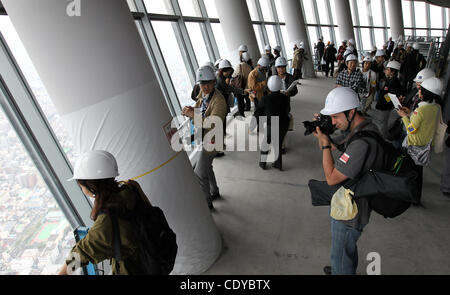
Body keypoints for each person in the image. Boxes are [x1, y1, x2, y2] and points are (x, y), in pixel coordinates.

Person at [313, 87, 385, 275]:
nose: (334, 122)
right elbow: (341, 146)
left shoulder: (361, 143)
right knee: (346, 249)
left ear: (351, 112)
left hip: (351, 212)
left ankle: (341, 269)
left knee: (341, 252)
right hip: (353, 201)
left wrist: (325, 145)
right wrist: (325, 131)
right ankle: (342, 267)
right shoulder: (363, 127)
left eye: (336, 117)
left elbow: (331, 178)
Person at [58, 151, 157, 275]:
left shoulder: (108, 220)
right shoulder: (132, 188)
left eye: (81, 186)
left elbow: (81, 253)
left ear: (91, 185)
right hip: (151, 256)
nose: (82, 189)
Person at [182, 66, 227, 210]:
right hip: (205, 137)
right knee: (207, 167)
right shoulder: (204, 92)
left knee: (199, 174)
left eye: (208, 82)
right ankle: (214, 191)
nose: (205, 86)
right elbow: (201, 106)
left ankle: (207, 204)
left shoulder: (219, 101)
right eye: (202, 83)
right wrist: (192, 110)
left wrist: (192, 115)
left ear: (214, 81)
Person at [396, 77, 443, 204]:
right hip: (425, 146)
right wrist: (411, 113)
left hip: (414, 144)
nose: (419, 93)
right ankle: (416, 197)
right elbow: (424, 122)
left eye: (421, 91)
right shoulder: (436, 107)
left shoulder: (421, 109)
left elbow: (411, 129)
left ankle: (408, 197)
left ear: (426, 93)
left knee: (409, 172)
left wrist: (404, 117)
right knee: (418, 173)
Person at [253, 75, 290, 170]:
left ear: (268, 87)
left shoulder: (265, 99)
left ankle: (263, 164)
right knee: (278, 144)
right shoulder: (285, 98)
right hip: (283, 124)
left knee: (265, 143)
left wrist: (255, 99)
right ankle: (278, 165)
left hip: (272, 124)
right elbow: (288, 110)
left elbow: (258, 112)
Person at [375, 60, 405, 140]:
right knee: (382, 123)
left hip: (385, 107)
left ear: (393, 72)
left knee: (383, 125)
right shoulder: (390, 79)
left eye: (387, 69)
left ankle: (386, 138)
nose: (385, 71)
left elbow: (390, 96)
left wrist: (383, 101)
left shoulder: (394, 82)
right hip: (383, 106)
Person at [275, 57, 298, 154]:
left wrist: (289, 93)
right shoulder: (273, 78)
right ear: (276, 68)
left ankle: (282, 145)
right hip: (275, 104)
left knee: (283, 126)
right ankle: (279, 144)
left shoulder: (290, 77)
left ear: (285, 67)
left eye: (283, 67)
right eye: (279, 67)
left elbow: (295, 90)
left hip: (285, 105)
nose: (281, 69)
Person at [233, 52, 254, 117]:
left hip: (240, 85)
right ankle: (248, 107)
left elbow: (235, 75)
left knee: (240, 100)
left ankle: (241, 112)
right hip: (248, 85)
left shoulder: (240, 65)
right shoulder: (250, 66)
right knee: (247, 97)